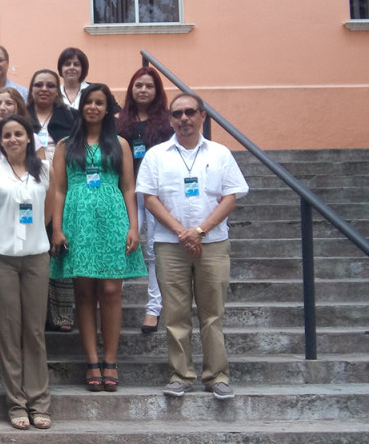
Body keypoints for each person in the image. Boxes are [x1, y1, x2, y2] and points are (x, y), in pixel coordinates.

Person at [136, 93, 249, 400]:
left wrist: (199, 232)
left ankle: (217, 376)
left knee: (213, 313)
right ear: (170, 119)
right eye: (176, 114)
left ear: (202, 116)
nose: (183, 118)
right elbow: (149, 198)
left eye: (189, 112)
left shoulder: (220, 153)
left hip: (212, 243)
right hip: (169, 245)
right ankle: (180, 375)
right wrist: (181, 232)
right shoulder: (157, 155)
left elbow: (231, 196)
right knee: (175, 313)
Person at [50, 83, 146, 392]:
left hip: (112, 218)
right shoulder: (66, 144)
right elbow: (59, 189)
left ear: (108, 108)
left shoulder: (120, 143)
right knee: (84, 292)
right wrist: (56, 227)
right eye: (89, 102)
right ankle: (92, 361)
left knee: (110, 289)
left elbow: (129, 187)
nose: (93, 107)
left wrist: (134, 226)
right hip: (77, 221)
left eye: (99, 102)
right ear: (81, 107)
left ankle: (111, 359)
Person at [0, 114, 53, 430]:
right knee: (9, 333)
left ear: (29, 138)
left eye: (18, 134)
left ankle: (39, 402)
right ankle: (16, 403)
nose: (12, 139)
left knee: (34, 331)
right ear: (1, 141)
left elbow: (49, 209)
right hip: (0, 258)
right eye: (6, 135)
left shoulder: (45, 170)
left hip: (36, 257)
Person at [116, 67, 173, 333]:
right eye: (138, 85)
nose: (143, 90)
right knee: (124, 245)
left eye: (149, 86)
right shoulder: (120, 121)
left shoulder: (167, 123)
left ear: (157, 91)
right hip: (126, 191)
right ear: (131, 89)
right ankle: (114, 299)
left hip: (155, 193)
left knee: (152, 249)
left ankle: (154, 308)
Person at [26, 68, 79, 333]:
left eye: (49, 85)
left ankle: (61, 314)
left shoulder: (69, 117)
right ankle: (36, 312)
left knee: (58, 249)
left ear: (56, 90)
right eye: (38, 84)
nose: (44, 89)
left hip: (62, 186)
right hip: (28, 189)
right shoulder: (22, 117)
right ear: (31, 89)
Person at [0, 87, 43, 167]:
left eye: (8, 103)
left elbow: (42, 172)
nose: (2, 108)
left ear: (19, 107)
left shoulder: (33, 138)